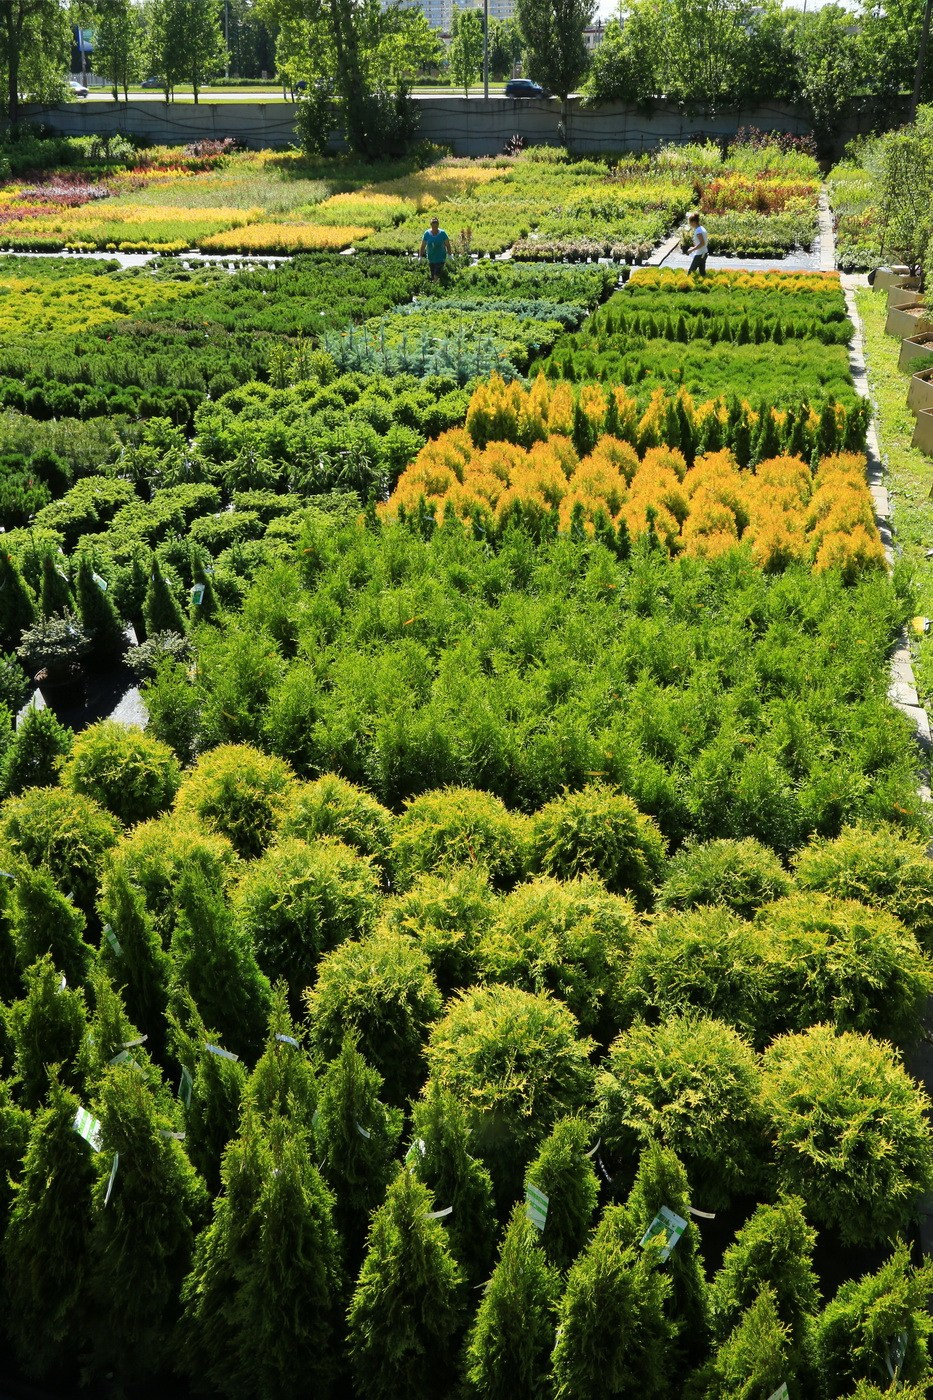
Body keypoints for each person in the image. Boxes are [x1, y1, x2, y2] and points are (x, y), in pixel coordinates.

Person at [687, 211, 708, 276]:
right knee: (702, 273)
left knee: (690, 273)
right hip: (704, 253)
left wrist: (692, 249)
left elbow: (702, 243)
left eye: (690, 223)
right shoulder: (702, 228)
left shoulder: (698, 231)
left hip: (699, 254)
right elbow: (702, 242)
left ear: (694, 222)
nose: (690, 225)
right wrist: (694, 247)